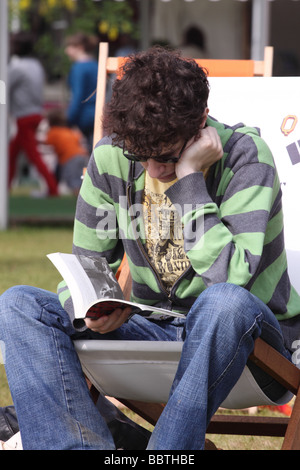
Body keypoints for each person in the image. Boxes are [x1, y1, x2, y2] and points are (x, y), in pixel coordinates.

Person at [1, 46, 300, 450]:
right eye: (139, 156)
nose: (152, 169)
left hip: (253, 346)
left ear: (200, 122)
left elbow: (231, 279)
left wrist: (190, 179)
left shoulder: (245, 158)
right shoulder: (112, 157)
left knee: (223, 303)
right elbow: (87, 266)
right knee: (20, 304)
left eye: (165, 156)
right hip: (155, 327)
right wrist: (90, 308)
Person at [8, 32, 58, 196]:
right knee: (12, 153)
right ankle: (5, 187)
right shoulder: (36, 65)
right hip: (36, 114)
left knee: (34, 156)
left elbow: (3, 86)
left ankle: (53, 188)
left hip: (24, 117)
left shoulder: (17, 67)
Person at [64, 32, 98, 153]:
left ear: (80, 47)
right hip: (98, 114)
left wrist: (69, 119)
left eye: (70, 47)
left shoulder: (78, 68)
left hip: (84, 117)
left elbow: (77, 96)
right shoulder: (95, 65)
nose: (66, 51)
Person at [44, 109, 89, 194]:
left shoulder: (53, 132)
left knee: (73, 181)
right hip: (82, 155)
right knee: (80, 179)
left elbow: (46, 142)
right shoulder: (68, 131)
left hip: (69, 158)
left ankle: (79, 201)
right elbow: (78, 139)